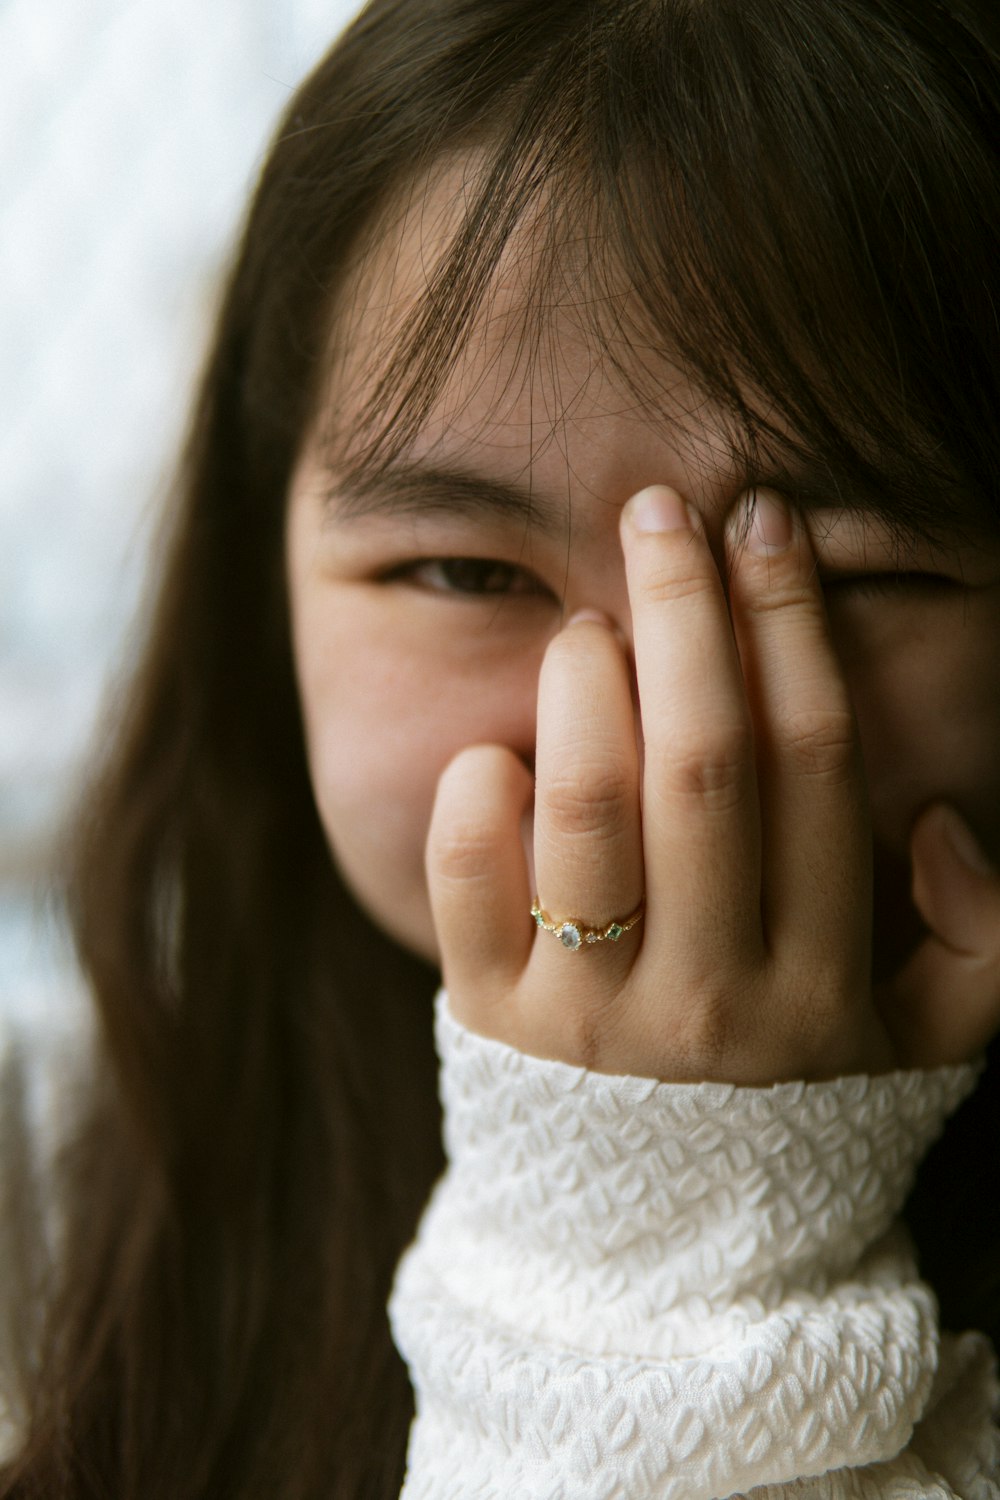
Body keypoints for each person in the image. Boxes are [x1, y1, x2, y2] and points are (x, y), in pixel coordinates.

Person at [2, 0, 999, 1494]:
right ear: (263, 596)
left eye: (844, 580)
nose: (667, 749)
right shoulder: (36, 1216)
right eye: (468, 576)